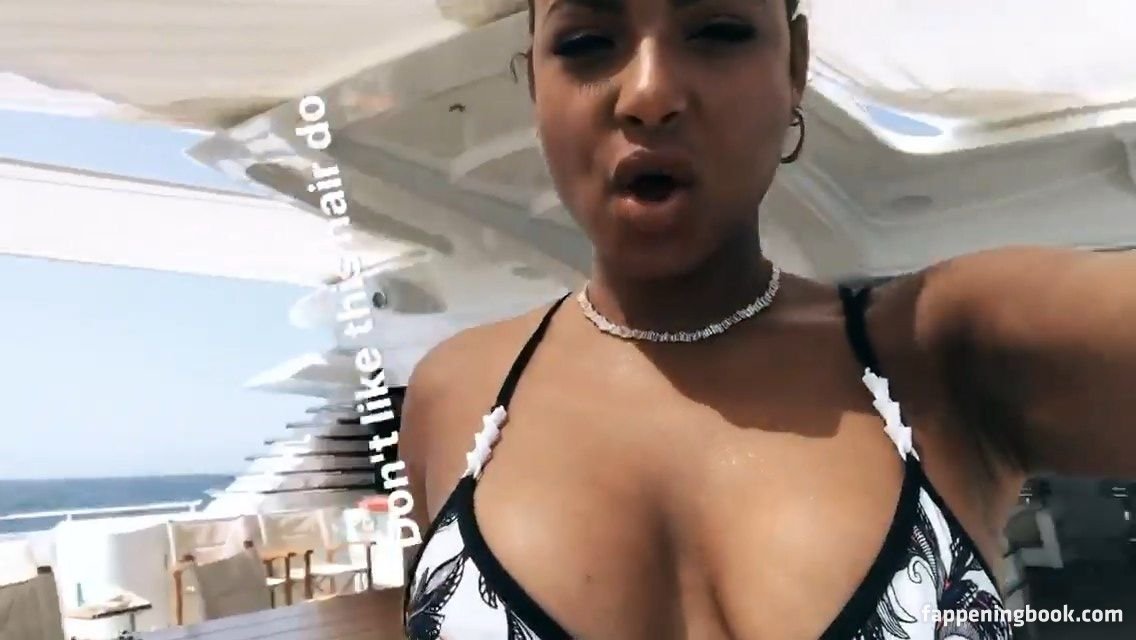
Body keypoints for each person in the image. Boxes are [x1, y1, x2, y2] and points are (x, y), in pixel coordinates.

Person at [397, 0, 1136, 638]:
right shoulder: (450, 395)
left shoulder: (942, 350)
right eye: (587, 41)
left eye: (717, 30)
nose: (649, 93)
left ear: (795, 68)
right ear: (535, 86)